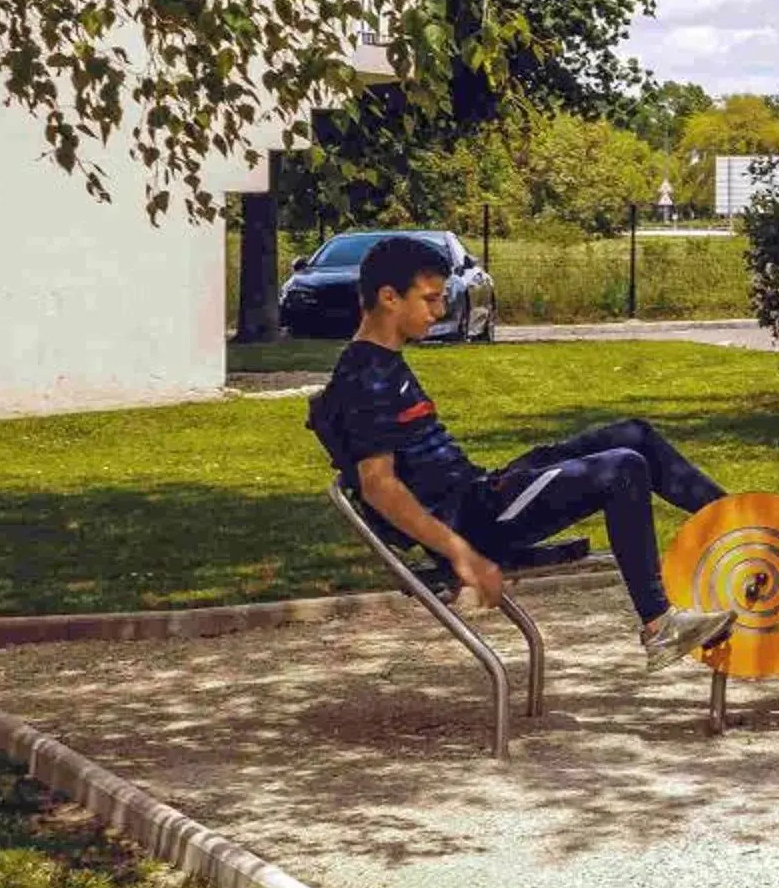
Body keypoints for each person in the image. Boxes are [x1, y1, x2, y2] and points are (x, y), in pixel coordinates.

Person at [307, 233, 737, 670]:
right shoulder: (365, 379)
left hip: (481, 492)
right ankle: (659, 626)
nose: (439, 312)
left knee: (634, 435)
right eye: (430, 299)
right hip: (475, 521)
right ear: (388, 298)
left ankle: (749, 522)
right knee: (622, 469)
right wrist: (464, 556)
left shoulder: (382, 363)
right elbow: (379, 487)